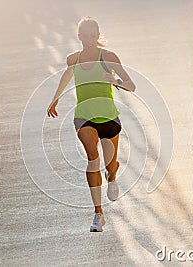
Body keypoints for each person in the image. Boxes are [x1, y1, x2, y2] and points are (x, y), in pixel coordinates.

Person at [47, 16, 136, 232]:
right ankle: (98, 214)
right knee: (92, 159)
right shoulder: (73, 59)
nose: (89, 40)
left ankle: (112, 175)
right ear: (79, 37)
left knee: (109, 165)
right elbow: (66, 77)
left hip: (108, 117)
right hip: (84, 116)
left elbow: (131, 85)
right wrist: (55, 98)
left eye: (92, 36)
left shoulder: (109, 57)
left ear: (97, 36)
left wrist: (114, 81)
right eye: (85, 36)